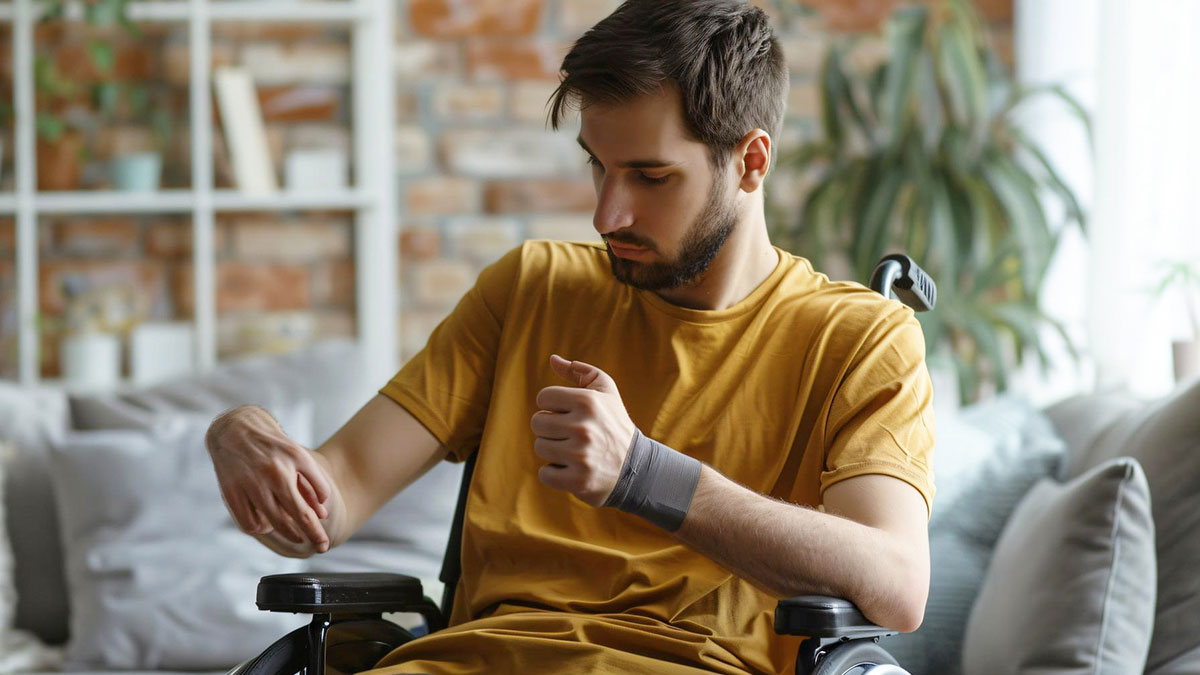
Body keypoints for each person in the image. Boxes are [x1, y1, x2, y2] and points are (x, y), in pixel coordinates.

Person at [205, 1, 936, 673]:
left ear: (751, 161)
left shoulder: (860, 339)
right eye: (598, 165)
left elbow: (897, 585)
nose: (607, 214)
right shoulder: (531, 286)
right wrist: (241, 438)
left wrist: (644, 474)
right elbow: (333, 498)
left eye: (650, 176)